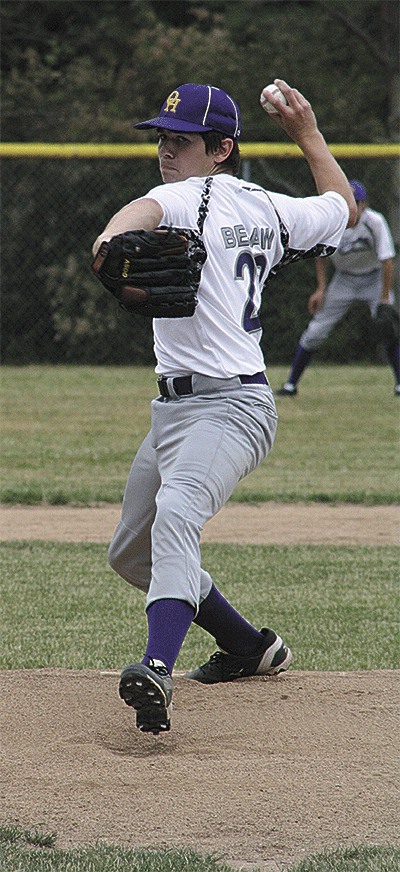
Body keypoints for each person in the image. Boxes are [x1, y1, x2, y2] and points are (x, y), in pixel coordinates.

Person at [93, 79, 356, 735]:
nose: (165, 150)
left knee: (178, 512)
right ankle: (250, 647)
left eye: (180, 141)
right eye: (161, 137)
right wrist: (309, 137)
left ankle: (157, 668)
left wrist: (107, 244)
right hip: (176, 412)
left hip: (231, 406)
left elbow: (137, 215)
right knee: (131, 554)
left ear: (221, 148)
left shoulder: (184, 197)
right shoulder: (269, 207)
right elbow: (341, 209)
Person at [275, 179, 399, 397]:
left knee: (388, 328)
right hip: (345, 280)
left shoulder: (374, 222)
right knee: (315, 331)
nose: (352, 205)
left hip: (374, 279)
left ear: (364, 204)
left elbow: (387, 260)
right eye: (347, 200)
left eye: (356, 201)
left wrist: (383, 298)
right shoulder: (334, 222)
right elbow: (321, 256)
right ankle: (291, 384)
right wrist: (321, 288)